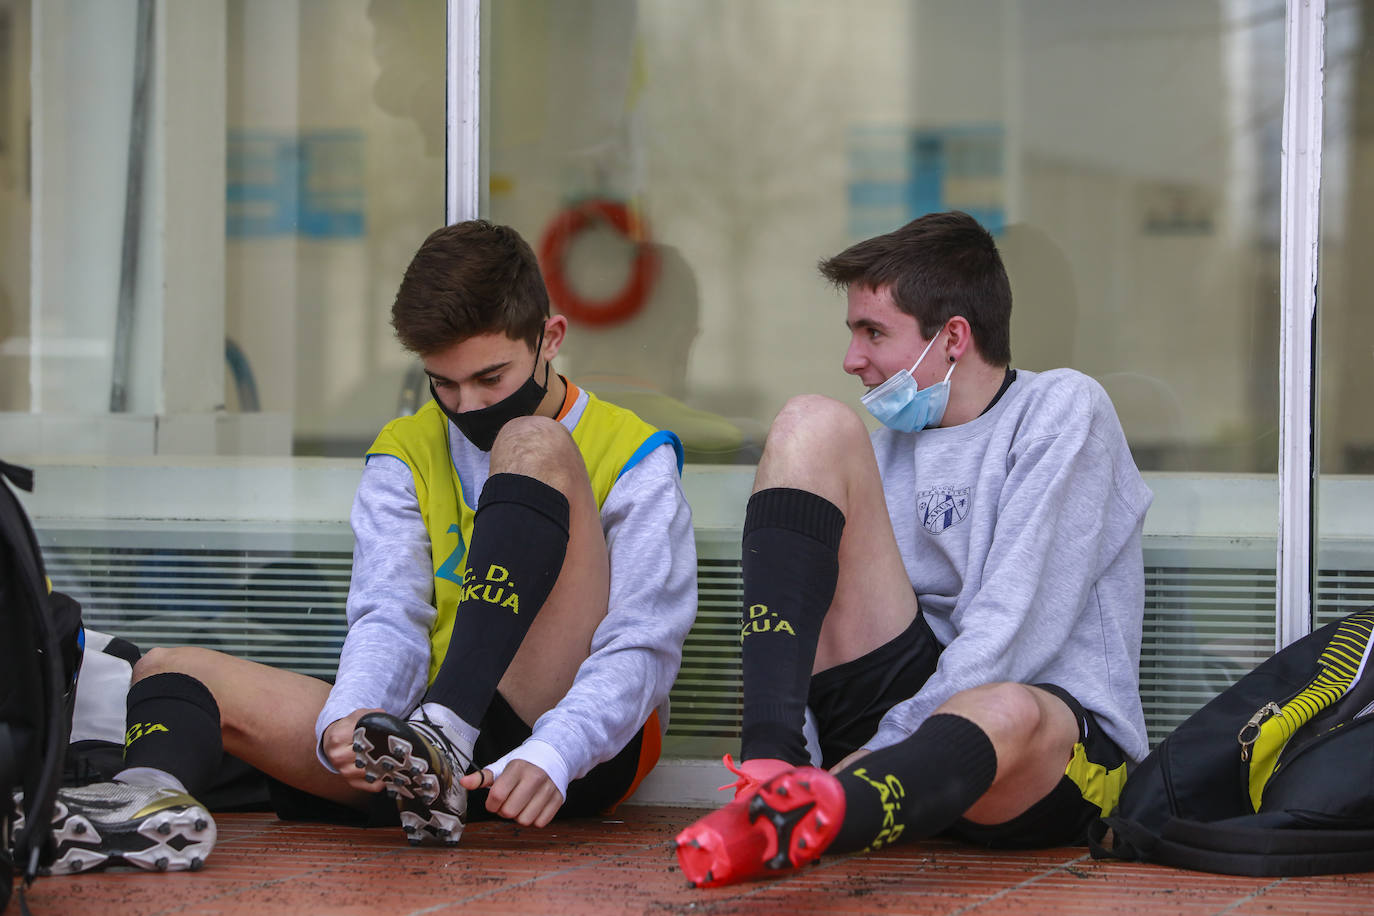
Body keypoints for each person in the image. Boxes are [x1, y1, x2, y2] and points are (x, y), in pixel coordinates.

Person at [44, 219, 697, 871]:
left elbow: (644, 642)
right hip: (420, 746)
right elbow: (390, 615)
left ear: (549, 338)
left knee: (534, 442)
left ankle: (449, 731)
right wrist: (351, 715)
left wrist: (559, 749)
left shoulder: (633, 451)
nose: (467, 406)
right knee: (167, 671)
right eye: (444, 383)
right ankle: (141, 808)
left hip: (567, 745)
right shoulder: (404, 448)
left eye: (490, 378)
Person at [675, 210, 1152, 887]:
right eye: (852, 332)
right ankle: (777, 780)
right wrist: (810, 752)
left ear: (953, 337)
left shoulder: (1064, 410)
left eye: (874, 332)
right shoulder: (881, 451)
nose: (852, 359)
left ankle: (837, 806)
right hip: (889, 743)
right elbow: (809, 620)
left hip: (1033, 760)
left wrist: (880, 752)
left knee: (1005, 702)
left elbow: (1012, 635)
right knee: (809, 422)